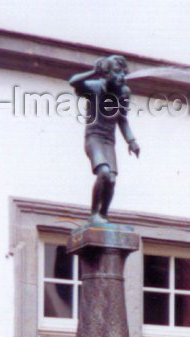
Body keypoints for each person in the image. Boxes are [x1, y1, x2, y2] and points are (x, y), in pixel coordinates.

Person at [70, 55, 140, 224]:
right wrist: (94, 71)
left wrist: (131, 140)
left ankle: (103, 215)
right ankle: (94, 214)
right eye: (116, 72)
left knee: (112, 180)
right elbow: (73, 81)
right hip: (94, 137)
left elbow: (122, 119)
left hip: (109, 140)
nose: (121, 76)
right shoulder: (95, 87)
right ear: (106, 73)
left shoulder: (124, 93)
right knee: (103, 173)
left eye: (123, 73)